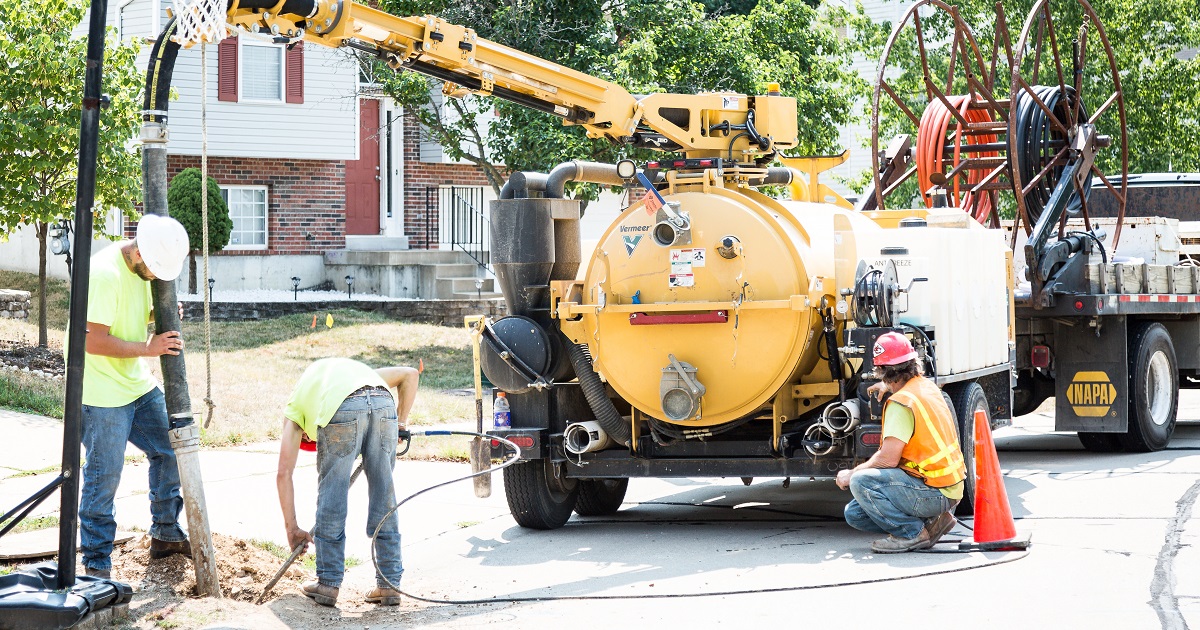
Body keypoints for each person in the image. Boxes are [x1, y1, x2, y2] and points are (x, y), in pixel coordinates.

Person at [78, 214, 192, 578]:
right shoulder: (104, 273)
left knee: (171, 448)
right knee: (104, 476)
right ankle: (96, 564)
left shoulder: (145, 271)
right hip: (100, 393)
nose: (158, 279)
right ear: (140, 254)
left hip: (135, 385)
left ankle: (165, 532)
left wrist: (164, 310)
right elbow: (91, 340)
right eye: (156, 270)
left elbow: (138, 310)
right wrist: (149, 348)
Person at [276, 358, 419, 607]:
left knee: (332, 492)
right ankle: (389, 584)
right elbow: (409, 374)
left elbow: (283, 473)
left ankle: (328, 583)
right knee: (384, 494)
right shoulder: (359, 375)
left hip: (341, 408)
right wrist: (401, 423)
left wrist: (292, 529)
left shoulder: (295, 405)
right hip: (384, 404)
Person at [837, 331, 965, 553]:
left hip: (934, 491)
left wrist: (852, 473)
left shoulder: (900, 403)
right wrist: (888, 385)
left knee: (860, 482)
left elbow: (888, 459)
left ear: (881, 371)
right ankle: (933, 524)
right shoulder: (925, 387)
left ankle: (912, 534)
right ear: (912, 363)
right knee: (854, 513)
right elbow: (904, 385)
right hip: (948, 487)